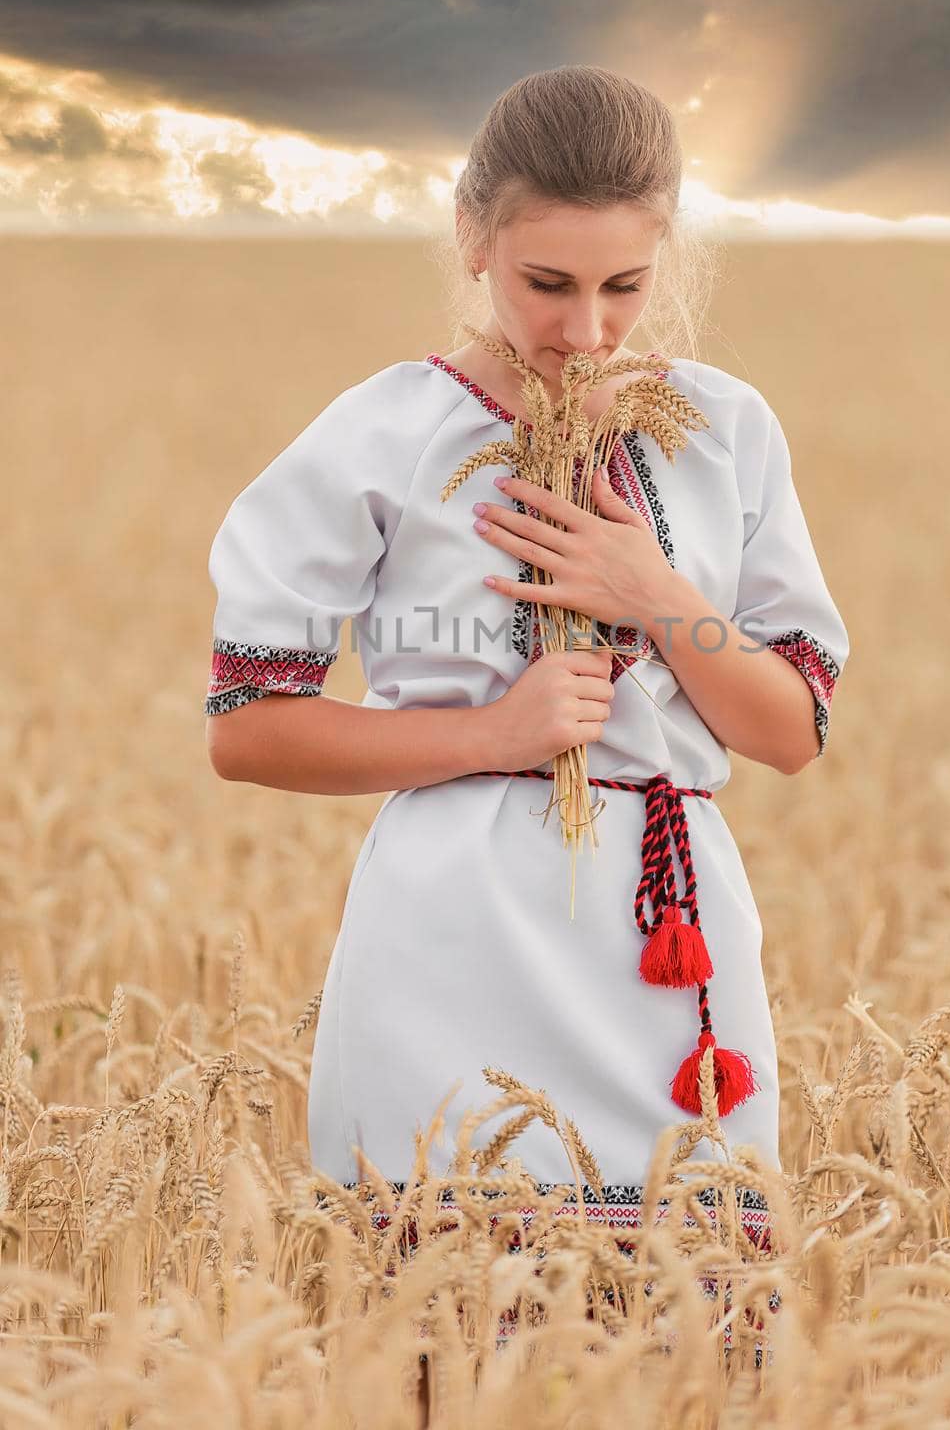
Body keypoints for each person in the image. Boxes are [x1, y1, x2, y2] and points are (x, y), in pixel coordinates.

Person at [202, 65, 849, 1352]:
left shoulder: (726, 430)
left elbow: (788, 729)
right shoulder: (382, 433)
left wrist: (653, 592)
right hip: (450, 930)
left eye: (623, 284)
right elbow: (248, 725)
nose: (587, 328)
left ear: (666, 250)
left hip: (667, 943)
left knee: (685, 1343)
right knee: (441, 1345)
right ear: (473, 241)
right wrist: (493, 735)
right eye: (545, 283)